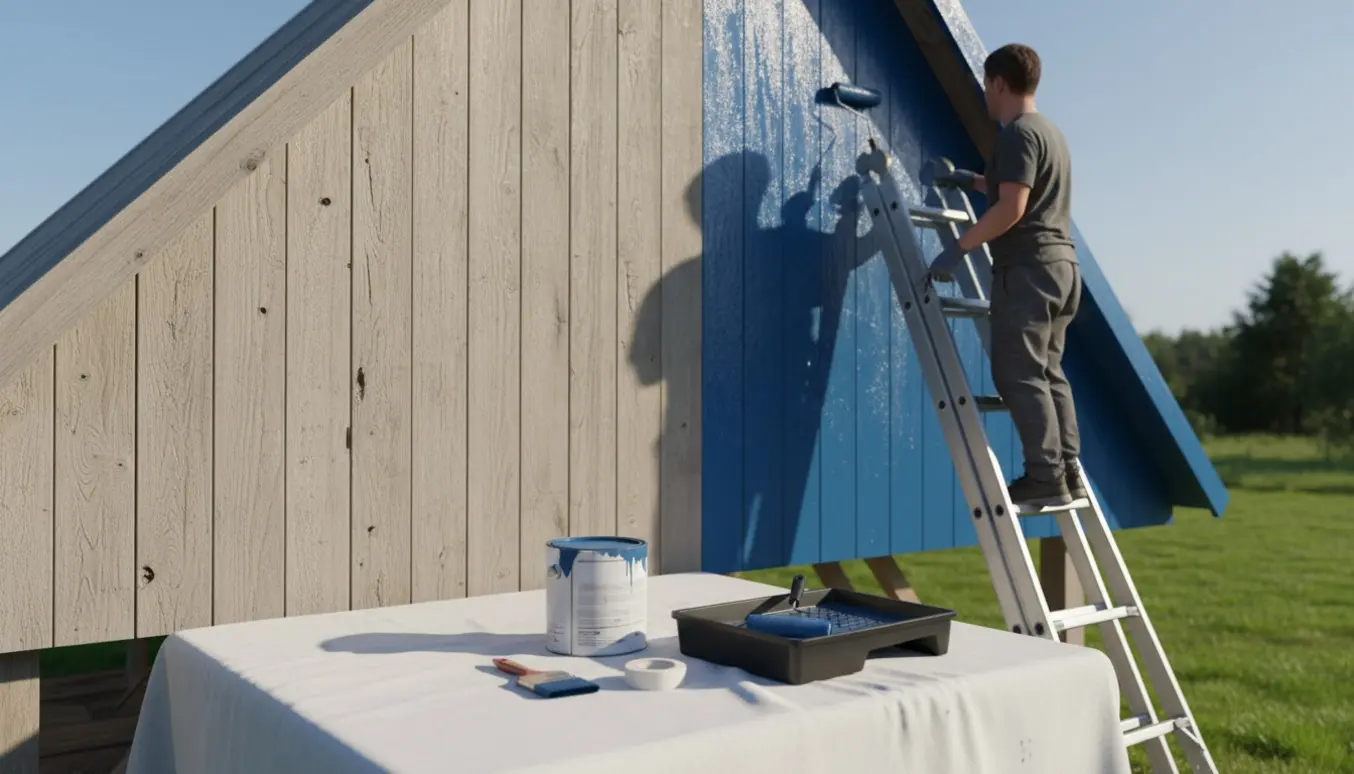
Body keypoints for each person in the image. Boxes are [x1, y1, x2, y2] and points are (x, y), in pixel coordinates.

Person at [928, 43, 1085, 508]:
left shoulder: (1017, 135)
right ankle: (1067, 471)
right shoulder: (1049, 134)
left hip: (1029, 269)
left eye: (986, 88)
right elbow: (1019, 190)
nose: (985, 98)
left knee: (1017, 372)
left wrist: (959, 247)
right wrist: (973, 182)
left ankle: (1045, 476)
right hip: (1061, 269)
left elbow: (1013, 207)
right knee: (1048, 371)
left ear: (998, 83)